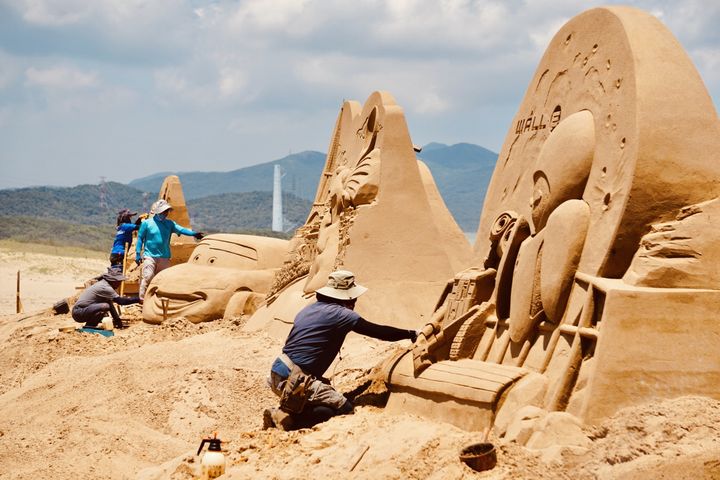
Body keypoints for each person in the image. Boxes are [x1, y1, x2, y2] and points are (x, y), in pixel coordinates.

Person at [263, 270, 418, 431]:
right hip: (295, 377)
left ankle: (290, 410)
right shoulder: (341, 314)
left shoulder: (308, 310)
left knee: (323, 406)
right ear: (347, 298)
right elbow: (379, 332)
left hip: (278, 370)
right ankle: (284, 419)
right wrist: (411, 333)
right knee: (343, 408)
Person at [135, 199, 204, 302]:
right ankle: (142, 300)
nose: (166, 213)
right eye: (164, 211)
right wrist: (137, 253)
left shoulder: (169, 224)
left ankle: (157, 301)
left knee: (162, 280)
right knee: (148, 277)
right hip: (150, 255)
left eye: (167, 211)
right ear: (158, 212)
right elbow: (140, 238)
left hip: (164, 256)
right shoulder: (147, 224)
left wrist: (193, 234)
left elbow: (181, 229)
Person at [72, 270, 140, 329]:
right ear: (113, 281)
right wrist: (138, 299)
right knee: (105, 306)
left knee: (107, 303)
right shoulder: (105, 287)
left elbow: (110, 303)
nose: (120, 284)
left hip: (83, 311)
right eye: (119, 282)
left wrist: (118, 321)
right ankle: (90, 326)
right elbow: (121, 301)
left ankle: (90, 326)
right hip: (79, 312)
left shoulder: (104, 284)